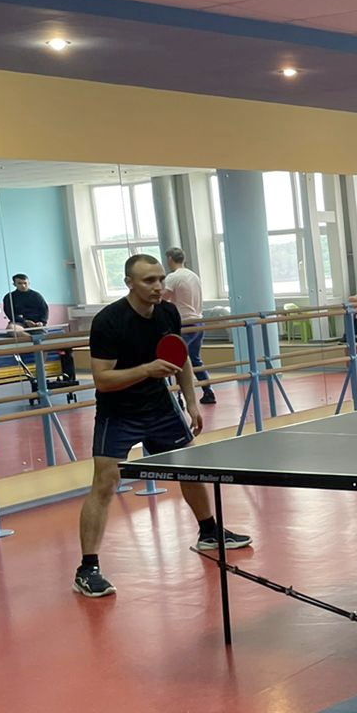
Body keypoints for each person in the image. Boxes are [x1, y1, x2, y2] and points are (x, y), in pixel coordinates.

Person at [75, 254, 249, 599]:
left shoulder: (168, 313)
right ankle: (87, 568)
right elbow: (103, 379)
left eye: (159, 279)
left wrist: (192, 401)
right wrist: (147, 370)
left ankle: (209, 532)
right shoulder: (109, 321)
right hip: (119, 412)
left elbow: (179, 359)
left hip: (160, 408)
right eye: (148, 281)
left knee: (190, 470)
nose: (157, 286)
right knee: (105, 483)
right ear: (129, 283)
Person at [161, 249, 215, 405]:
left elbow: (162, 299)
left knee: (174, 359)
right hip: (198, 321)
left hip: (184, 323)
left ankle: (177, 397)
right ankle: (208, 391)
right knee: (195, 359)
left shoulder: (173, 277)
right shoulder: (194, 276)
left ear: (170, 259)